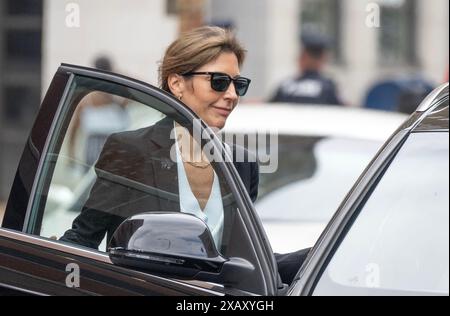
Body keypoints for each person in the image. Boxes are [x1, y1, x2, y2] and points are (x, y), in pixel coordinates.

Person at [61, 26, 308, 285]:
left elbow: (245, 262)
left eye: (239, 84)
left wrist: (323, 257)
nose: (232, 95)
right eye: (219, 82)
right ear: (177, 83)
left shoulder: (242, 163)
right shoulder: (131, 150)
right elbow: (83, 239)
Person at [270, 31, 343, 105]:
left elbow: (268, 107)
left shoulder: (286, 86)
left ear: (304, 57)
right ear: (322, 59)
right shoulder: (328, 88)